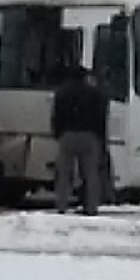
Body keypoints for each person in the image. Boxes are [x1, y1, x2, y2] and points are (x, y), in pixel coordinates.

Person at [52, 65, 108, 216]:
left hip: (67, 135)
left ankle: (62, 205)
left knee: (64, 174)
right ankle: (91, 207)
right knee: (91, 175)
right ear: (85, 77)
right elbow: (101, 118)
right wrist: (101, 138)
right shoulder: (95, 94)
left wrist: (58, 134)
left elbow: (57, 116)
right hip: (89, 136)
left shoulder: (62, 92)